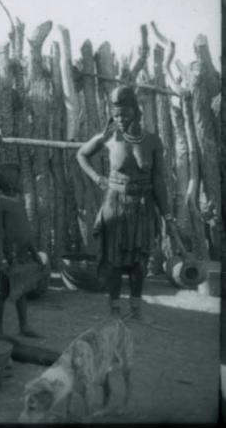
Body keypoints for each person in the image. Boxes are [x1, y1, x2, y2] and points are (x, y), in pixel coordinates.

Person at [76, 85, 175, 320]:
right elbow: (81, 154)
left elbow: (159, 180)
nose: (120, 119)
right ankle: (114, 309)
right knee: (114, 261)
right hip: (115, 205)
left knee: (139, 262)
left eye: (125, 113)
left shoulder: (152, 141)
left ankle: (136, 309)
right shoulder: (108, 138)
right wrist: (97, 178)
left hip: (143, 206)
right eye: (116, 114)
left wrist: (167, 215)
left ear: (136, 111)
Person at [0, 161, 46, 338]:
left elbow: (26, 231)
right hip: (9, 255)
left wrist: (34, 253)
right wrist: (2, 258)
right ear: (8, 182)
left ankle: (24, 327)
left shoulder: (18, 199)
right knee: (3, 292)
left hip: (22, 253)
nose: (20, 181)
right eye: (16, 178)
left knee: (21, 290)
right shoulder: (0, 204)